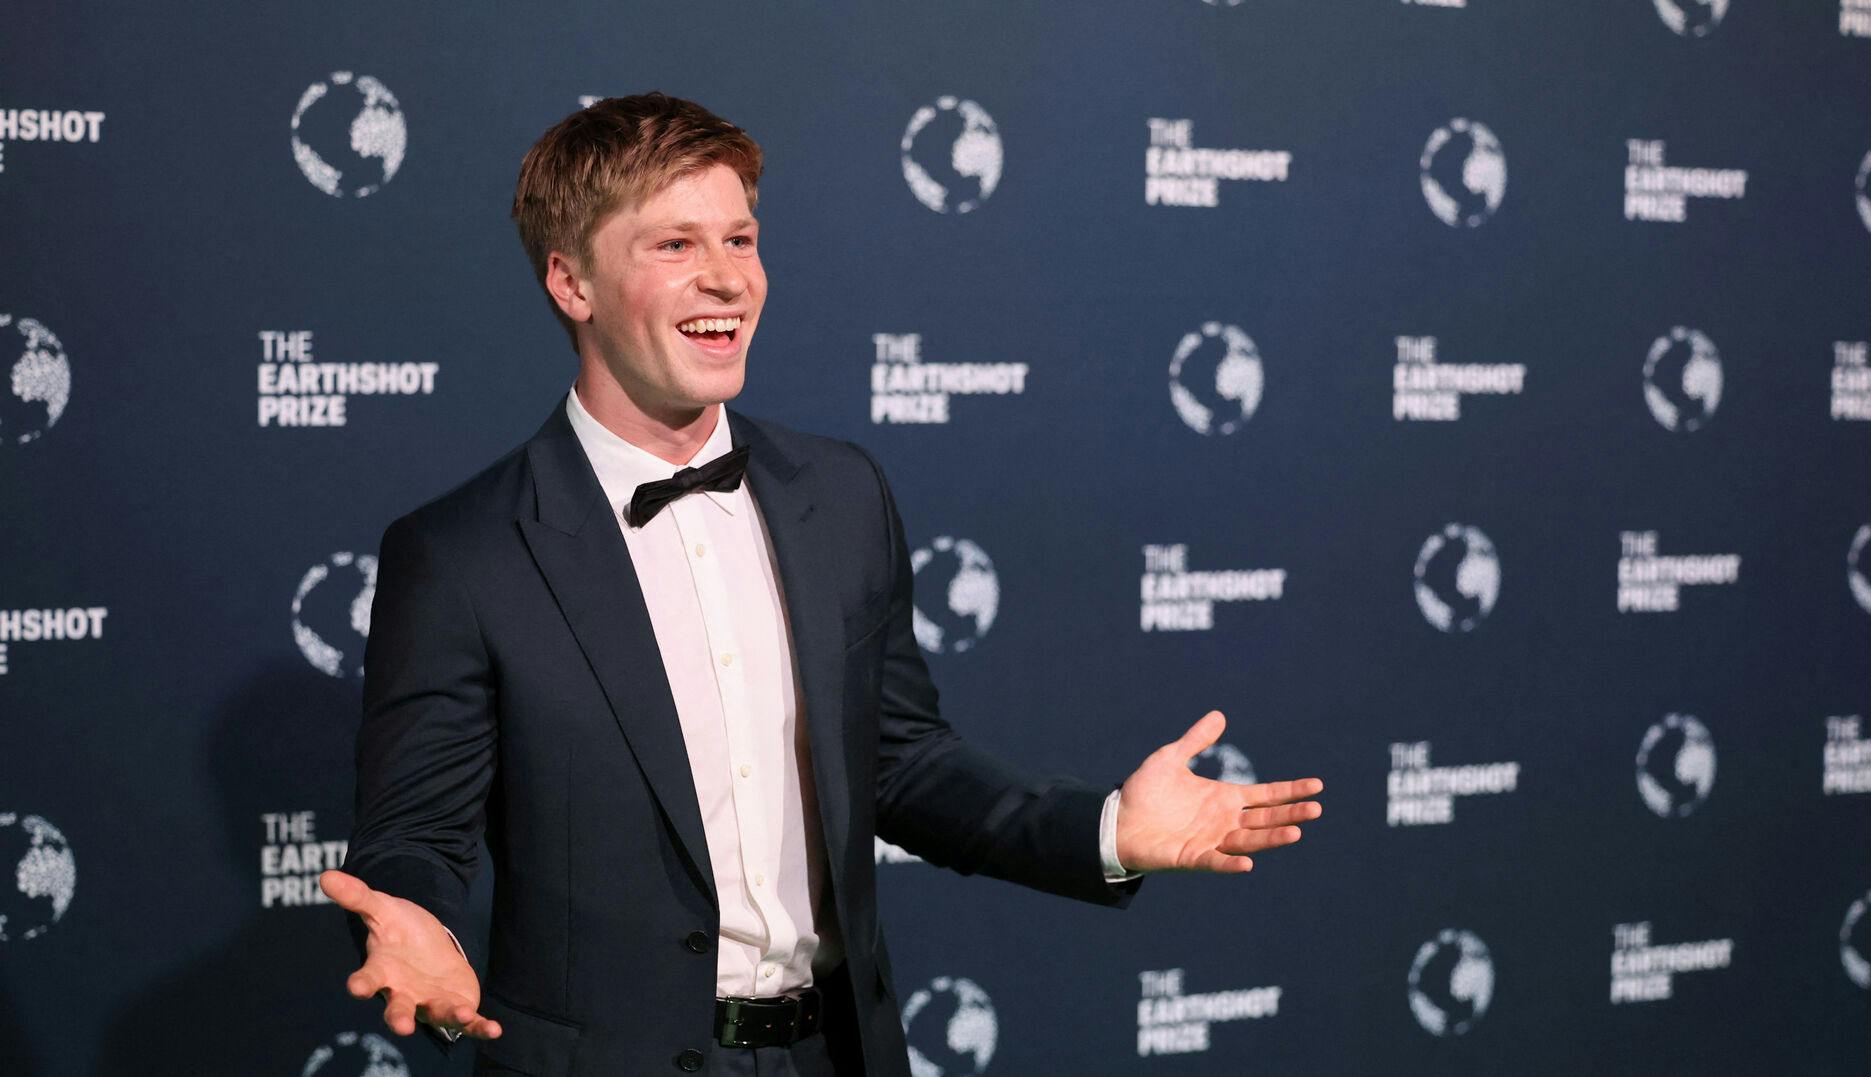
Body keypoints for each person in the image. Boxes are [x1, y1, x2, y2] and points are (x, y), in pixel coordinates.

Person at [317, 92, 1324, 1077]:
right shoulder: (463, 554)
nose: (726, 280)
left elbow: (903, 763)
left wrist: (1104, 831)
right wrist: (414, 916)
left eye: (742, 240)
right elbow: (415, 832)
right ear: (572, 284)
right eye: (676, 246)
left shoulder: (839, 495)